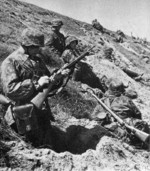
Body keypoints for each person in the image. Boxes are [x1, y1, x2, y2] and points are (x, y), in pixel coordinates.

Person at [0, 28, 70, 147]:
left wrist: (58, 78)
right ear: (27, 44)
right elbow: (10, 90)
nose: (38, 50)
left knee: (47, 144)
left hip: (41, 111)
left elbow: (48, 84)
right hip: (23, 115)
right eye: (36, 47)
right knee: (32, 146)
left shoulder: (37, 60)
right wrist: (36, 83)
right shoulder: (11, 62)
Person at [90, 79, 149, 146]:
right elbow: (138, 114)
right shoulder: (126, 99)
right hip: (128, 130)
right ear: (121, 90)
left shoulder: (102, 102)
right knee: (142, 125)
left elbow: (93, 118)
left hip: (113, 131)